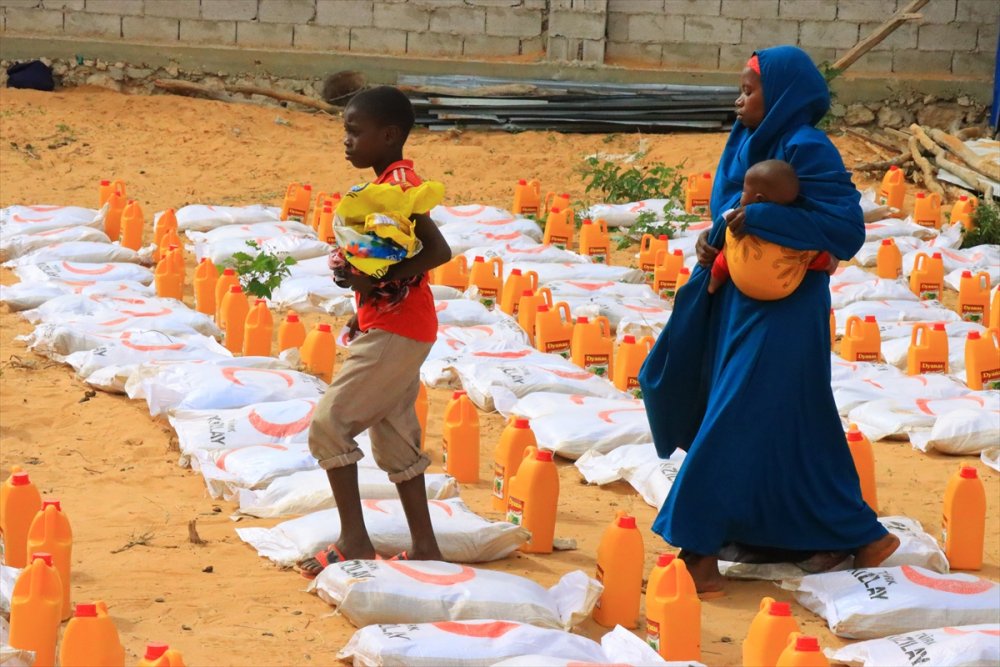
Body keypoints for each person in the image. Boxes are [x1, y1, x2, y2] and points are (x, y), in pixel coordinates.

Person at [638, 46, 899, 597]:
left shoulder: (807, 147)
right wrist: (714, 241)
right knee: (794, 422)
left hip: (786, 311)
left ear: (780, 95)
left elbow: (844, 230)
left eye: (749, 90)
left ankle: (697, 551)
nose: (739, 101)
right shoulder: (745, 144)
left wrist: (758, 217)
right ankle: (859, 535)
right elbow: (727, 216)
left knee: (736, 416)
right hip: (737, 301)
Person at [299, 86, 452, 577]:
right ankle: (425, 547)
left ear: (388, 135)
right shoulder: (388, 182)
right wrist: (363, 302)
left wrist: (379, 279)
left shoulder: (401, 186)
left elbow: (437, 251)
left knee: (329, 423)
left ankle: (355, 541)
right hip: (397, 324)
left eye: (354, 132)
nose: (346, 141)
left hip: (398, 329)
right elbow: (396, 255)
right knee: (394, 435)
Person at [707, 159, 801, 295]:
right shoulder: (793, 229)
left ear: (759, 199)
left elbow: (722, 226)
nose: (740, 196)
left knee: (726, 253)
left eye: (743, 192)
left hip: (744, 285)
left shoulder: (741, 221)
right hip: (784, 290)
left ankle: (712, 285)